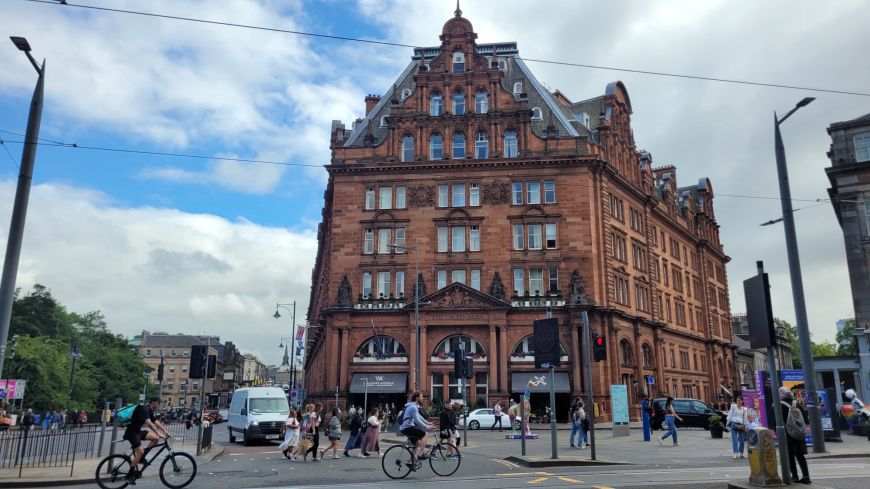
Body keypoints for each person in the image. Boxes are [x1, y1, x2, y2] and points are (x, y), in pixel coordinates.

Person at [124, 397, 168, 485]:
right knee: (140, 452)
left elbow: (155, 421)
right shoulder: (144, 409)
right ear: (154, 403)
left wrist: (164, 430)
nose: (159, 405)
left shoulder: (149, 410)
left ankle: (142, 457)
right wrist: (158, 433)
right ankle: (129, 476)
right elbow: (149, 423)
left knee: (155, 438)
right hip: (131, 433)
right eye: (159, 403)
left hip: (137, 432)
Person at [778, 387, 811, 484]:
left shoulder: (779, 404)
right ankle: (806, 476)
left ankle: (795, 476)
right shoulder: (796, 403)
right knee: (800, 455)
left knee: (790, 455)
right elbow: (804, 417)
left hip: (787, 433)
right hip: (799, 433)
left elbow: (776, 419)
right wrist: (806, 427)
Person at [399, 390, 433, 459]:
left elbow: (419, 417)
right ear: (417, 398)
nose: (422, 398)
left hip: (406, 427)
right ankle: (421, 455)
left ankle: (410, 461)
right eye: (421, 397)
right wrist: (427, 427)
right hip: (407, 427)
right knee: (424, 435)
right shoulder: (413, 407)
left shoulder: (413, 406)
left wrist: (428, 423)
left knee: (417, 444)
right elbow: (417, 421)